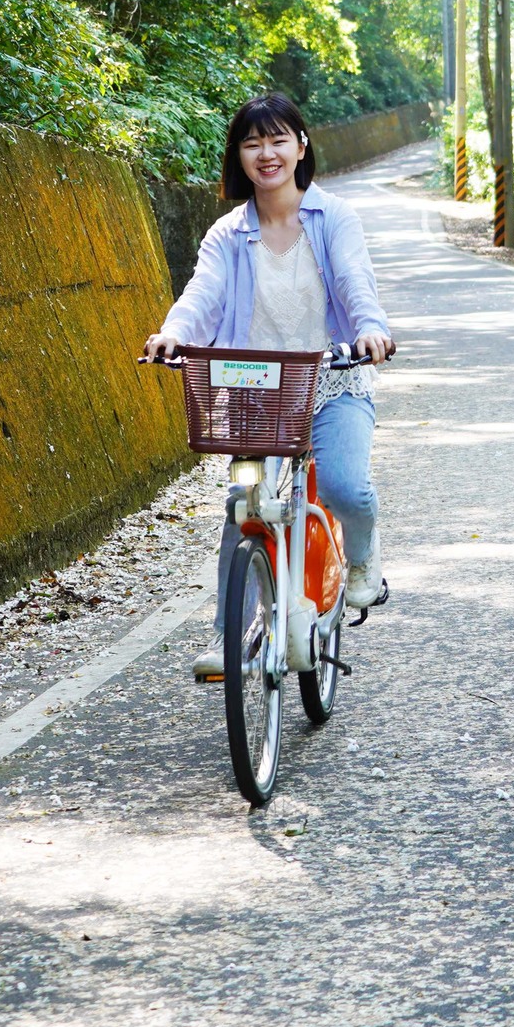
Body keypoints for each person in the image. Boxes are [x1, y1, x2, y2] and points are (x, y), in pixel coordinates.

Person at [144, 93, 395, 680]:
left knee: (344, 487)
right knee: (244, 505)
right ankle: (230, 637)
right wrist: (173, 333)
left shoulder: (333, 219)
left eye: (279, 139)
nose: (267, 153)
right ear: (239, 155)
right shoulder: (228, 234)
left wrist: (371, 331)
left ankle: (360, 560)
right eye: (253, 143)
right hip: (259, 390)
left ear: (301, 147)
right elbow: (201, 296)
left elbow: (357, 285)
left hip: (333, 378)